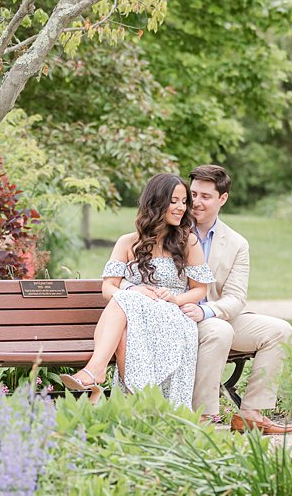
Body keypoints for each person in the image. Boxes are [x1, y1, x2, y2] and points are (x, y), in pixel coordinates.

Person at [60, 173, 211, 407]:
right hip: (135, 317)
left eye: (184, 201)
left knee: (126, 301)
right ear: (156, 202)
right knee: (125, 315)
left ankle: (96, 372)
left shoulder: (188, 242)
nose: (181, 207)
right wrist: (134, 291)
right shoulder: (127, 242)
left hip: (173, 316)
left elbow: (199, 290)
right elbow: (108, 288)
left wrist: (174, 298)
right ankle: (139, 405)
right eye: (174, 201)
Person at [179, 164, 292, 434]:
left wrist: (207, 312)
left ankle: (251, 413)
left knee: (279, 330)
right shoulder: (174, 228)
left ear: (223, 199)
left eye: (205, 197)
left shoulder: (236, 243)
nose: (196, 202)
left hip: (212, 315)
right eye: (193, 194)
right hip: (178, 315)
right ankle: (203, 417)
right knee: (220, 331)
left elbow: (236, 298)